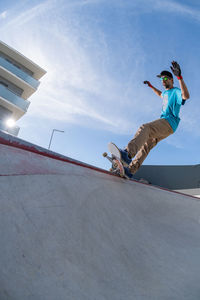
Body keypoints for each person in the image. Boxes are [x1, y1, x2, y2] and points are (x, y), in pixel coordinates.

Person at [118, 61, 190, 179]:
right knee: (146, 145)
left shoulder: (176, 91)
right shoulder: (166, 93)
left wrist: (180, 77)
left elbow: (185, 96)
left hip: (168, 122)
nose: (163, 81)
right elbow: (160, 94)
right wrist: (151, 86)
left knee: (146, 128)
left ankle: (128, 153)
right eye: (161, 79)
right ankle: (130, 171)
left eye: (165, 78)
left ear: (172, 80)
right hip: (168, 128)